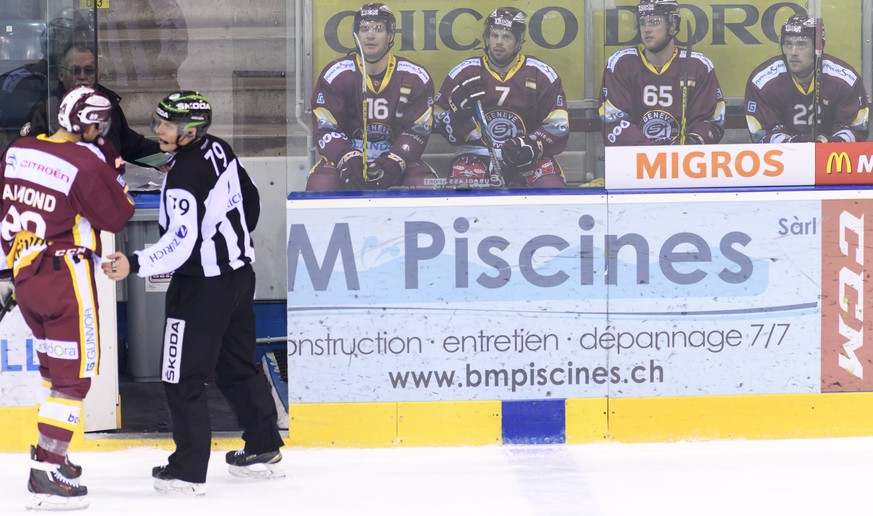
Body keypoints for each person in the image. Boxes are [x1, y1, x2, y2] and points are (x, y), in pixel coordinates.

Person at [101, 91, 285, 496]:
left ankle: (186, 471)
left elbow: (180, 245)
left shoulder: (184, 174)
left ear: (190, 131)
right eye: (158, 121)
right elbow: (250, 201)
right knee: (236, 365)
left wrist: (135, 262)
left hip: (200, 288)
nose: (158, 130)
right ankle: (264, 446)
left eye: (166, 125)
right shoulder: (219, 149)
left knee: (180, 376)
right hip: (238, 277)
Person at [0, 85, 135, 510]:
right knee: (74, 379)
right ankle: (46, 470)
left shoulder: (18, 149)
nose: (102, 130)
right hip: (66, 278)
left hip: (26, 276)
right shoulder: (84, 163)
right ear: (88, 122)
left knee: (52, 370)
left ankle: (50, 450)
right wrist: (114, 172)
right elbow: (117, 214)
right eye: (100, 122)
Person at [306, 3, 437, 191]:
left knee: (423, 184)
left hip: (395, 154)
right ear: (356, 35)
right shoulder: (336, 75)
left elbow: (417, 130)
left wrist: (395, 160)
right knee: (321, 184)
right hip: (349, 153)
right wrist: (346, 157)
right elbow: (325, 128)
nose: (370, 35)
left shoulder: (415, 77)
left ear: (390, 35)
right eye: (364, 28)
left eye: (378, 29)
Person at [434, 7, 569, 188]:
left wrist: (531, 144)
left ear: (519, 41)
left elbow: (558, 125)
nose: (499, 42)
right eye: (494, 35)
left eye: (507, 37)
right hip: (476, 153)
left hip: (526, 155)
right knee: (462, 189)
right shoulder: (464, 72)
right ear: (486, 38)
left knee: (551, 186)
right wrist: (458, 115)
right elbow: (438, 117)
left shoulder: (541, 74)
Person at [599, 0, 725, 146]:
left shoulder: (699, 67)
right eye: (642, 22)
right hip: (634, 162)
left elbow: (710, 122)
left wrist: (683, 147)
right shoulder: (620, 64)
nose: (646, 29)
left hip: (684, 163)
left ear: (673, 25)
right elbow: (612, 121)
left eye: (654, 22)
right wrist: (654, 153)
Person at [19, 44, 162, 168]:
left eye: (88, 70)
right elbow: (25, 152)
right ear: (62, 75)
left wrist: (166, 159)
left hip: (103, 186)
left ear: (97, 73)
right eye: (75, 70)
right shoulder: (47, 108)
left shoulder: (107, 104)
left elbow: (130, 145)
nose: (82, 76)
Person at [744, 15, 869, 143]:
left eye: (801, 45)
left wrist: (831, 143)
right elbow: (761, 133)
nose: (793, 52)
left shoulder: (845, 81)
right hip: (782, 158)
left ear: (818, 49)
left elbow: (855, 129)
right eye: (788, 44)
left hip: (830, 157)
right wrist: (795, 144)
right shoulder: (762, 82)